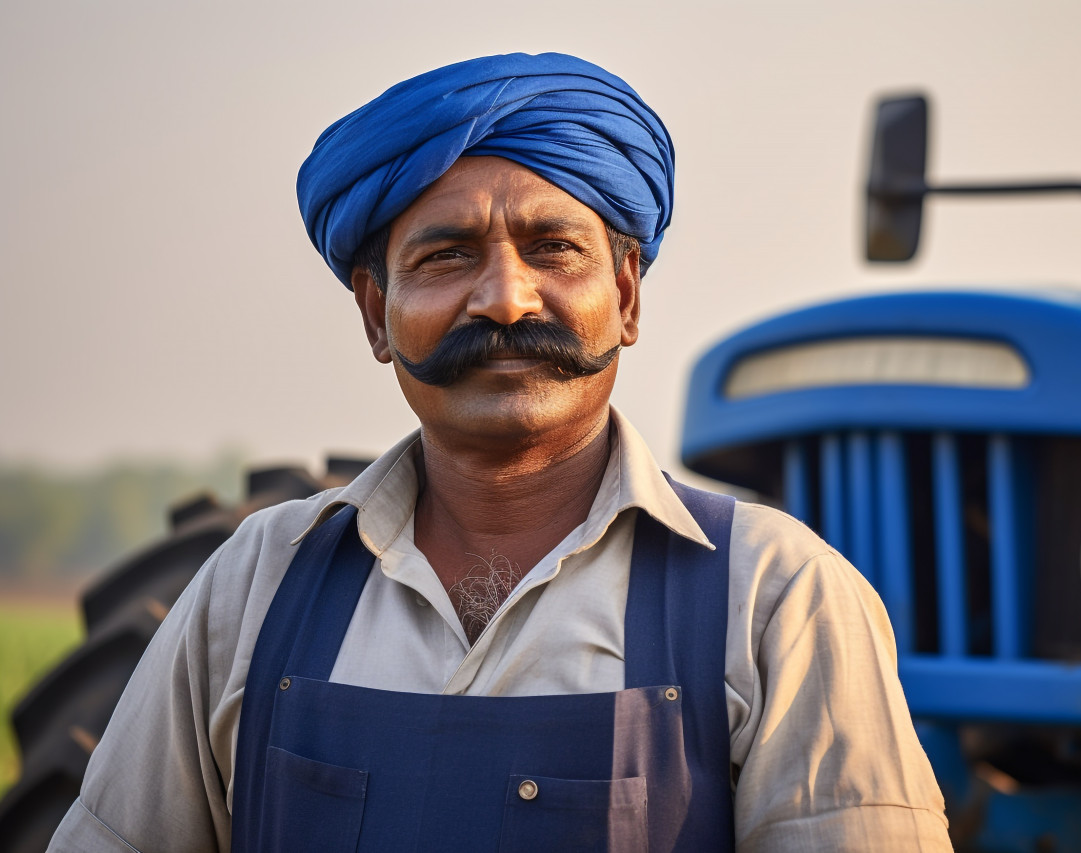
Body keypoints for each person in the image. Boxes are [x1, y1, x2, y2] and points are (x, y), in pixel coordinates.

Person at [49, 53, 950, 852]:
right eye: (446, 257)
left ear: (627, 297)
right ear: (376, 314)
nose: (507, 300)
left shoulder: (776, 599)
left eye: (554, 248)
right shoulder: (253, 586)